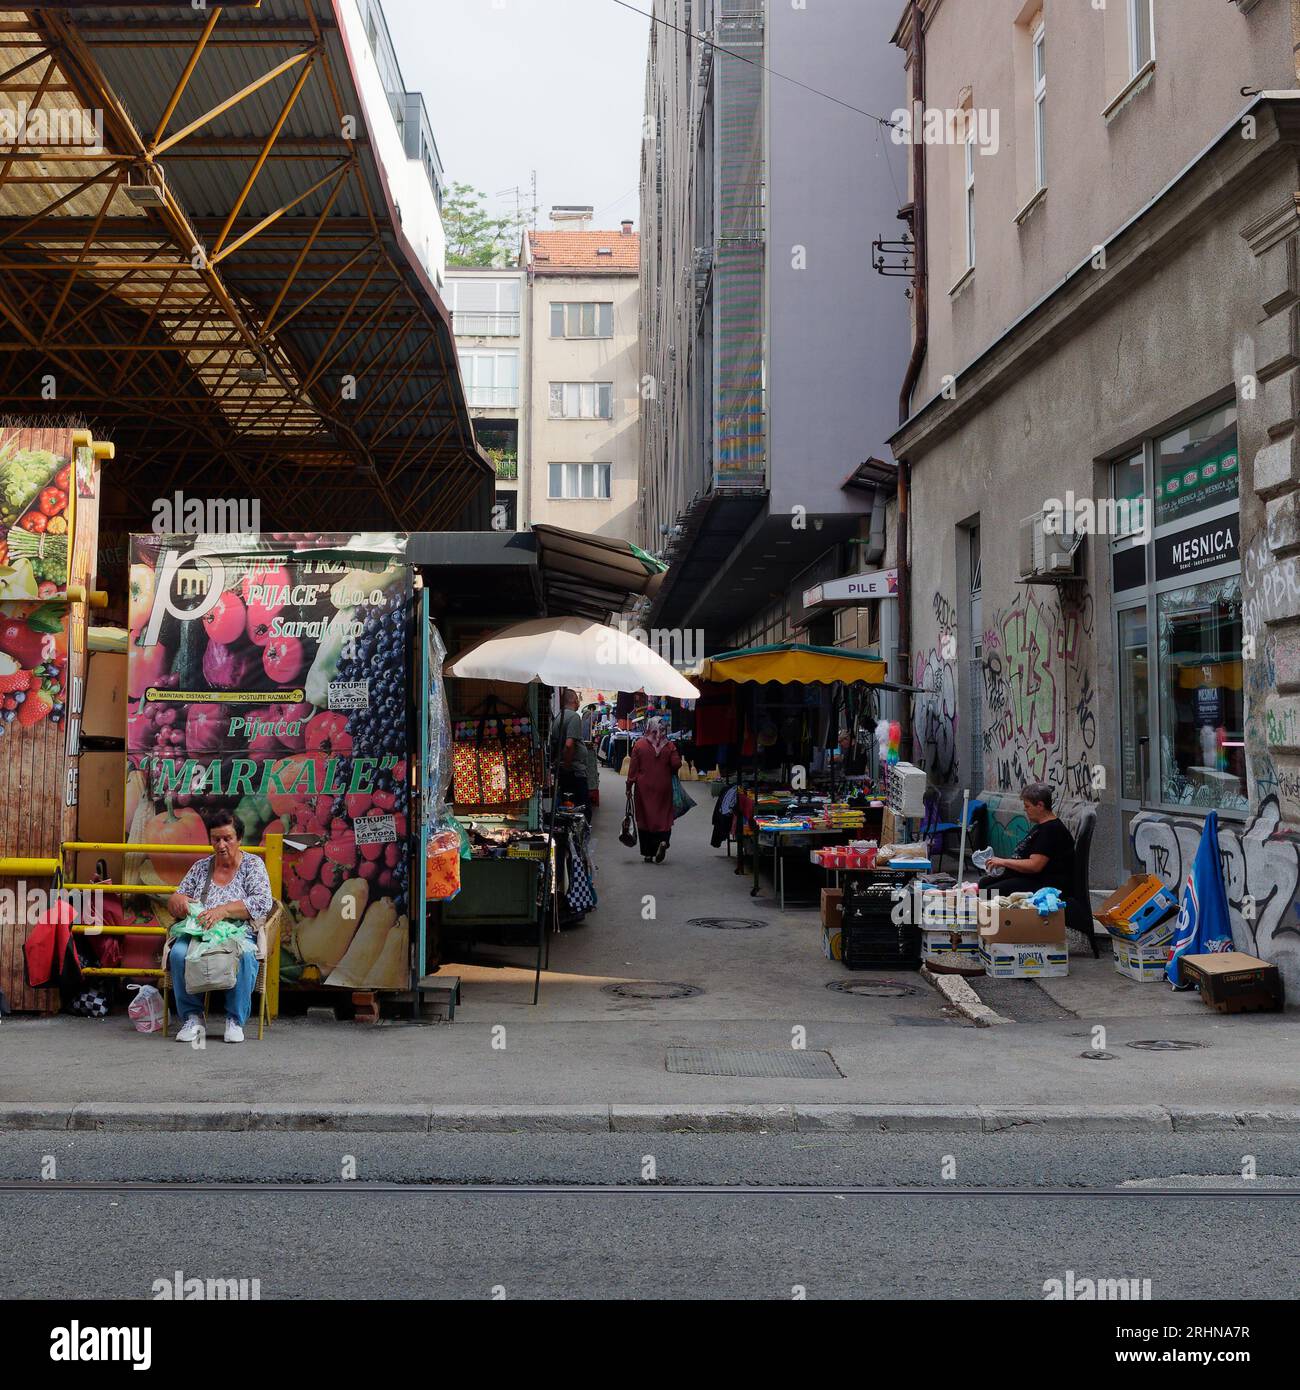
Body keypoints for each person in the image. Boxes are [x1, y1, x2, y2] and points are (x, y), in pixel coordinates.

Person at [165, 809, 274, 1045]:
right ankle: (193, 1018)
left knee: (245, 955)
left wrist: (222, 911)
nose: (221, 845)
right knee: (179, 954)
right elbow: (177, 898)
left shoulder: (253, 866)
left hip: (237, 931)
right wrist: (179, 902)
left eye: (227, 838)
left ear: (239, 839)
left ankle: (234, 1019)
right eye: (216, 839)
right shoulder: (201, 867)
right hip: (200, 932)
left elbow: (263, 902)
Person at [977, 782, 1075, 896]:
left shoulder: (1051, 830)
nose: (1025, 810)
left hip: (1042, 883)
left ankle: (988, 912)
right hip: (1028, 878)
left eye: (1027, 806)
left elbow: (1035, 866)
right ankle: (983, 909)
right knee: (984, 883)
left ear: (1040, 805)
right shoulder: (1040, 827)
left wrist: (1003, 862)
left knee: (988, 893)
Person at [626, 717, 682, 863]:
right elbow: (676, 764)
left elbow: (632, 770)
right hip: (664, 786)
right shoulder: (669, 745)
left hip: (643, 788)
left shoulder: (639, 745)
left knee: (644, 818)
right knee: (663, 816)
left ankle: (648, 853)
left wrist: (628, 787)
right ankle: (663, 842)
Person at [551, 688, 590, 819]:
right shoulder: (573, 717)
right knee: (581, 807)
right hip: (574, 771)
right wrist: (568, 766)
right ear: (574, 700)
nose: (579, 702)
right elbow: (569, 745)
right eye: (578, 699)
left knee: (567, 806)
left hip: (566, 769)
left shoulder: (559, 716)